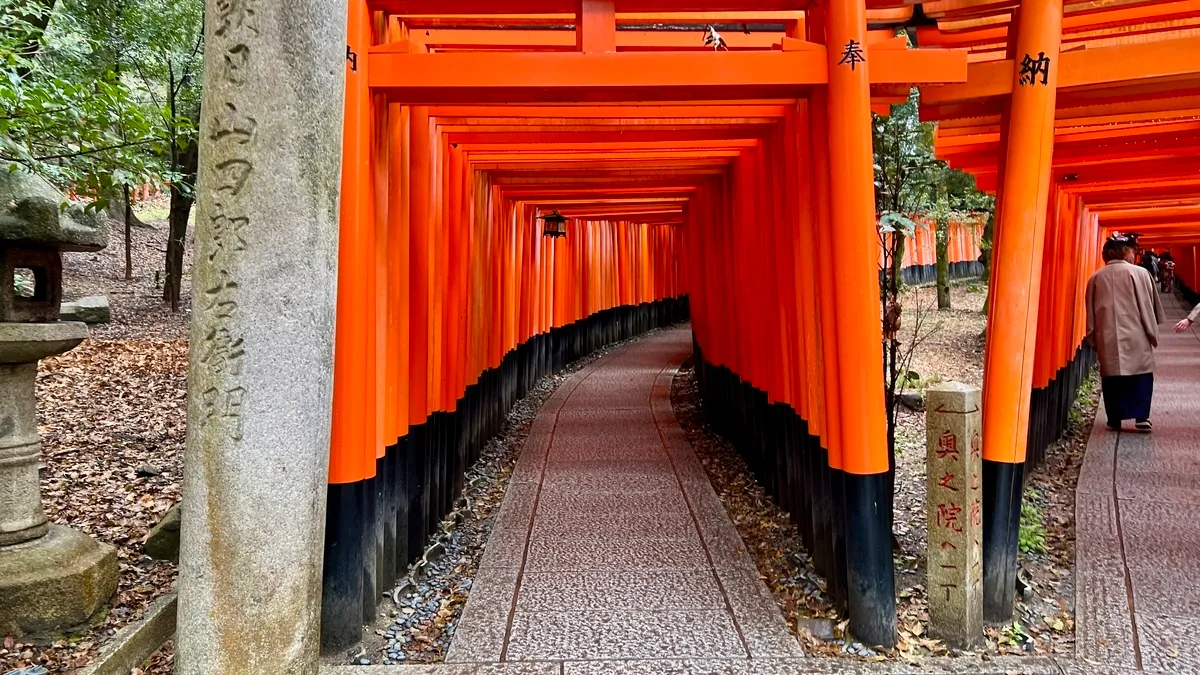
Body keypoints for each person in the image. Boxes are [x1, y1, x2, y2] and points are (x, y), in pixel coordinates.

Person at [1086, 236, 1166, 432]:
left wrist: (1093, 336)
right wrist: (1151, 329)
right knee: (1141, 374)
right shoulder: (1140, 273)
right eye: (1132, 251)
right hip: (1136, 332)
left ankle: (1114, 417)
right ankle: (1141, 417)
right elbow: (1150, 306)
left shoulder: (1096, 278)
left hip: (1108, 334)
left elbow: (1090, 311)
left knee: (1112, 376)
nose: (1133, 254)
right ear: (1125, 252)